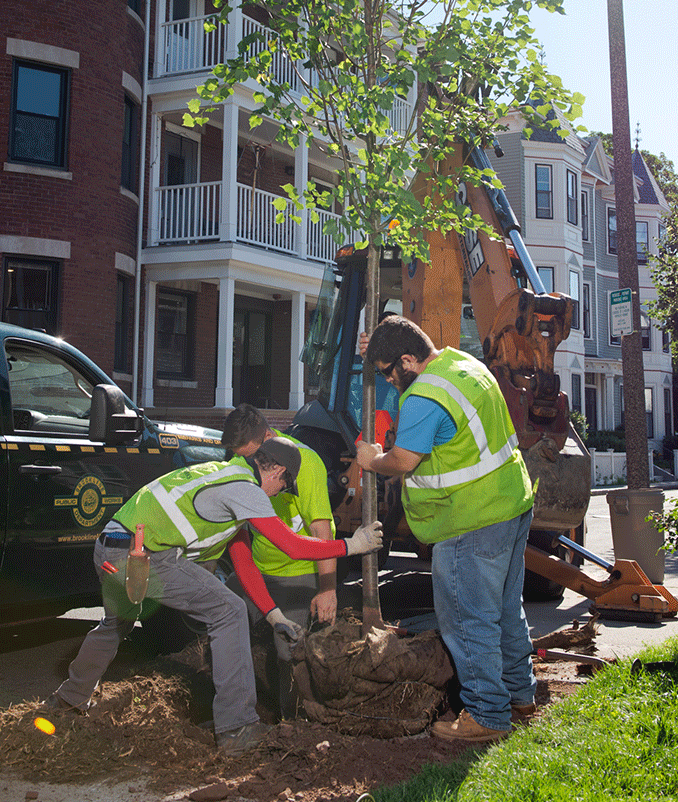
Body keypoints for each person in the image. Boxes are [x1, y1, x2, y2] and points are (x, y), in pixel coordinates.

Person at [45, 437, 382, 755]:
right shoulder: (246, 490)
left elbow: (243, 562)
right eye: (283, 486)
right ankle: (238, 730)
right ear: (277, 471)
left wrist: (273, 615)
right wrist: (353, 545)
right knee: (229, 611)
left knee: (115, 625)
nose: (279, 494)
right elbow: (291, 545)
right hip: (144, 556)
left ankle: (69, 700)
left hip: (111, 549)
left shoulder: (223, 474)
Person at [355, 315, 536, 743]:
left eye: (386, 373)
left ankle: (488, 716)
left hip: (469, 520)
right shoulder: (463, 365)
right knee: (507, 610)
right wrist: (374, 343)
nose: (387, 383)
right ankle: (520, 695)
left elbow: (402, 461)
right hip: (511, 504)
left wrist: (371, 460)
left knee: (467, 620)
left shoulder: (423, 397)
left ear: (406, 361)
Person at [220, 404, 337, 718]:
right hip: (258, 567)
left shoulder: (304, 461)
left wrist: (327, 588)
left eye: (255, 458)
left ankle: (292, 722)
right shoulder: (240, 461)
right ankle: (233, 709)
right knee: (221, 618)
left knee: (288, 647)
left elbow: (320, 528)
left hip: (295, 572)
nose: (251, 466)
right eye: (243, 458)